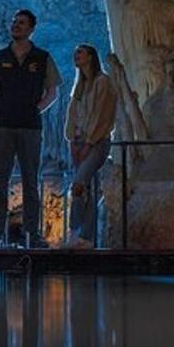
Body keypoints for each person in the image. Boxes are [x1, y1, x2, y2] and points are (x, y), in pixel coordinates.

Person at [0, 9, 61, 248]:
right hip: (3, 125)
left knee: (31, 181)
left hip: (30, 127)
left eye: (21, 23)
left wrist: (36, 109)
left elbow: (53, 91)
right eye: (14, 22)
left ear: (32, 28)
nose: (15, 26)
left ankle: (32, 234)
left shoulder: (42, 58)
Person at [64, 44, 116, 248]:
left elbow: (103, 114)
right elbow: (73, 115)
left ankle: (78, 232)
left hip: (97, 143)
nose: (76, 55)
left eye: (80, 52)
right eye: (75, 52)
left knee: (78, 186)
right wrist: (71, 140)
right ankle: (87, 238)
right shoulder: (80, 86)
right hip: (79, 143)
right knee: (89, 189)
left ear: (91, 57)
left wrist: (89, 142)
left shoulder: (103, 83)